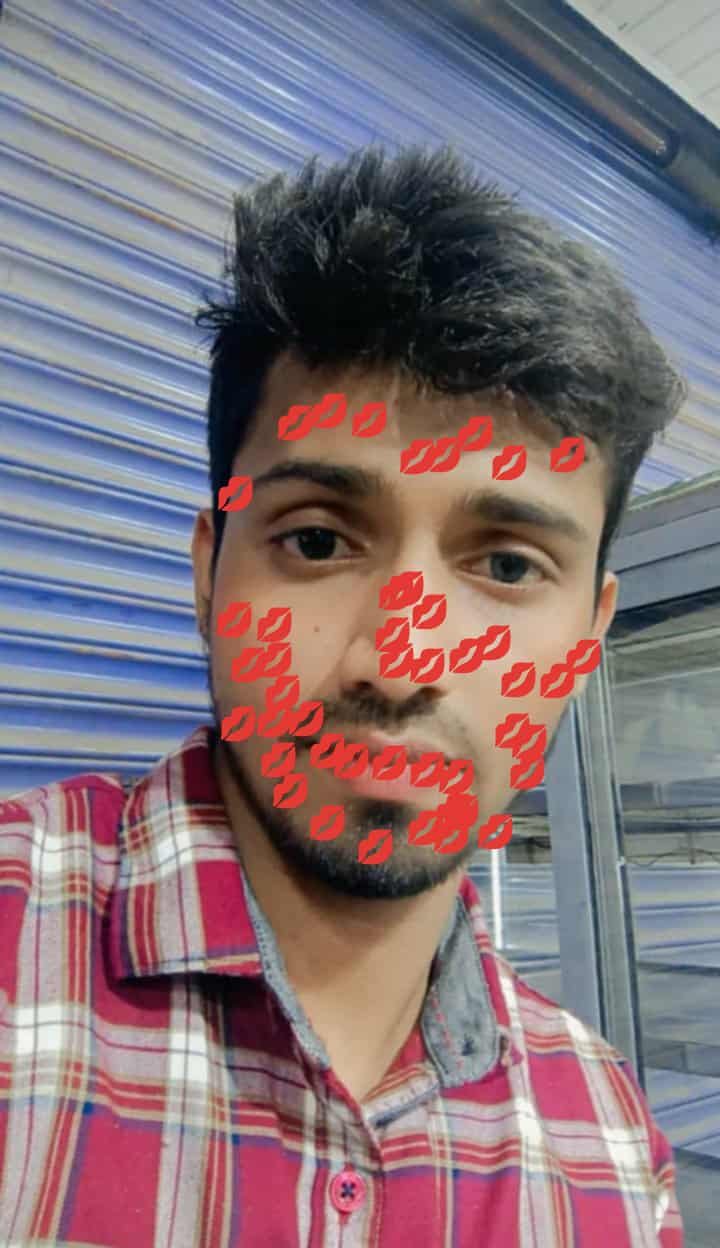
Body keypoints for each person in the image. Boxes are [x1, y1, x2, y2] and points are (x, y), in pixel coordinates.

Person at [0, 144, 686, 1245]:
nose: (401, 662)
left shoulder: (606, 1145)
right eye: (318, 541)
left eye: (507, 565)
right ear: (209, 574)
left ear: (588, 639)